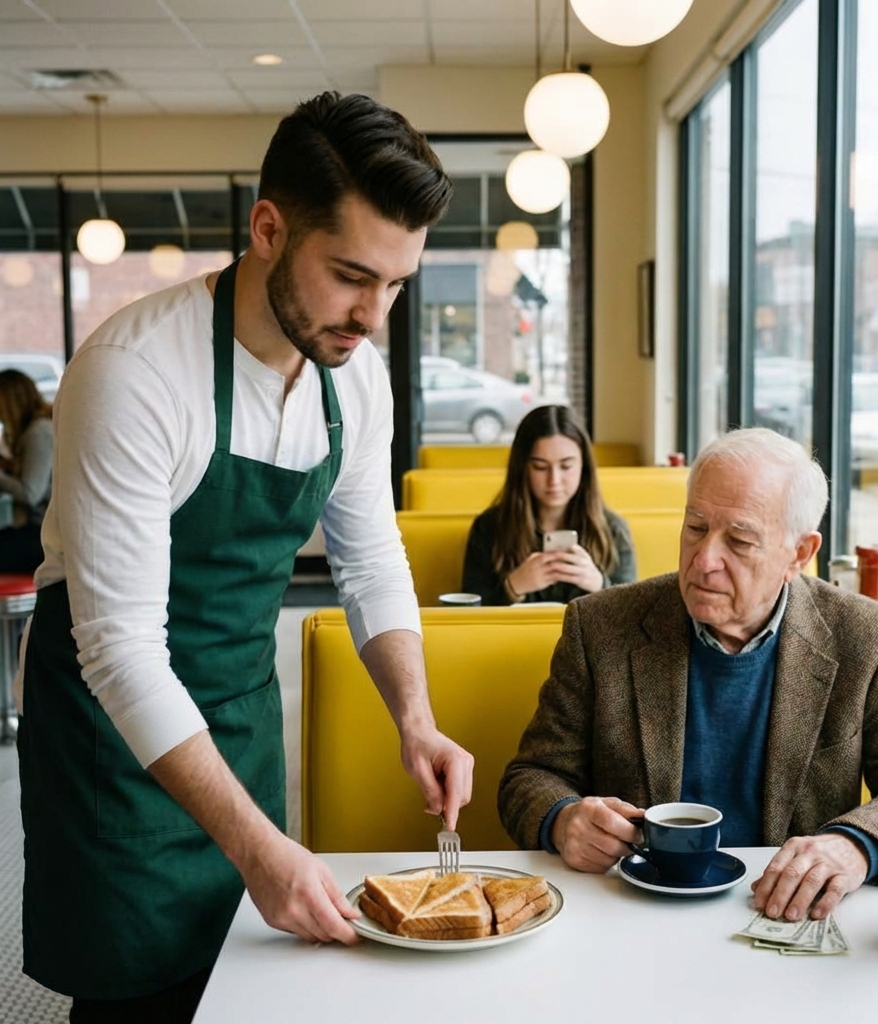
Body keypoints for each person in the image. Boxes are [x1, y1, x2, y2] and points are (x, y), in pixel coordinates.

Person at [18, 93, 474, 1024]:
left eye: (396, 285)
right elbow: (121, 652)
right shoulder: (135, 373)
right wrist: (257, 847)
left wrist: (415, 719)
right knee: (136, 999)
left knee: (246, 992)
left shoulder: (355, 374)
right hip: (114, 739)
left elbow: (370, 559)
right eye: (351, 276)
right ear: (268, 229)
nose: (373, 316)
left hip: (238, 717)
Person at [498, 427, 878, 923]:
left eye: (739, 541)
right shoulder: (600, 626)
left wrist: (855, 845)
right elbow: (530, 777)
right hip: (631, 912)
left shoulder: (868, 639)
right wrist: (562, 818)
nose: (703, 561)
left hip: (786, 915)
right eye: (695, 528)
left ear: (800, 554)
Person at [461, 405, 636, 605]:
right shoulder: (488, 528)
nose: (554, 480)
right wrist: (511, 588)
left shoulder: (613, 530)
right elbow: (470, 612)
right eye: (540, 467)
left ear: (584, 467)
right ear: (522, 468)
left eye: (566, 466)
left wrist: (600, 584)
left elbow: (633, 615)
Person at [0, 369, 52, 572]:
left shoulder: (38, 433)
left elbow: (31, 494)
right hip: (41, 532)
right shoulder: (38, 429)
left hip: (42, 536)